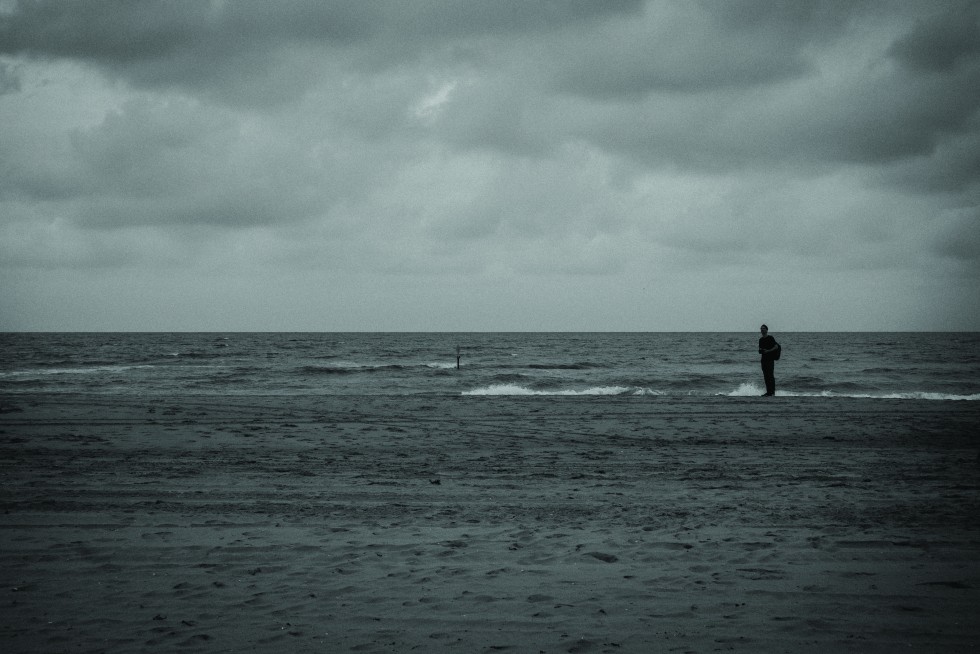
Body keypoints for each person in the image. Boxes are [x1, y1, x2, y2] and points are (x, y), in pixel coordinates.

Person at [758, 324, 780, 396]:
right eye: (761, 329)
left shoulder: (770, 338)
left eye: (763, 328)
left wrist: (768, 351)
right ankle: (768, 392)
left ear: (767, 330)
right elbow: (760, 349)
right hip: (763, 360)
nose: (762, 330)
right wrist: (761, 350)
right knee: (765, 376)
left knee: (770, 376)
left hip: (770, 359)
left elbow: (776, 347)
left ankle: (772, 392)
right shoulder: (760, 340)